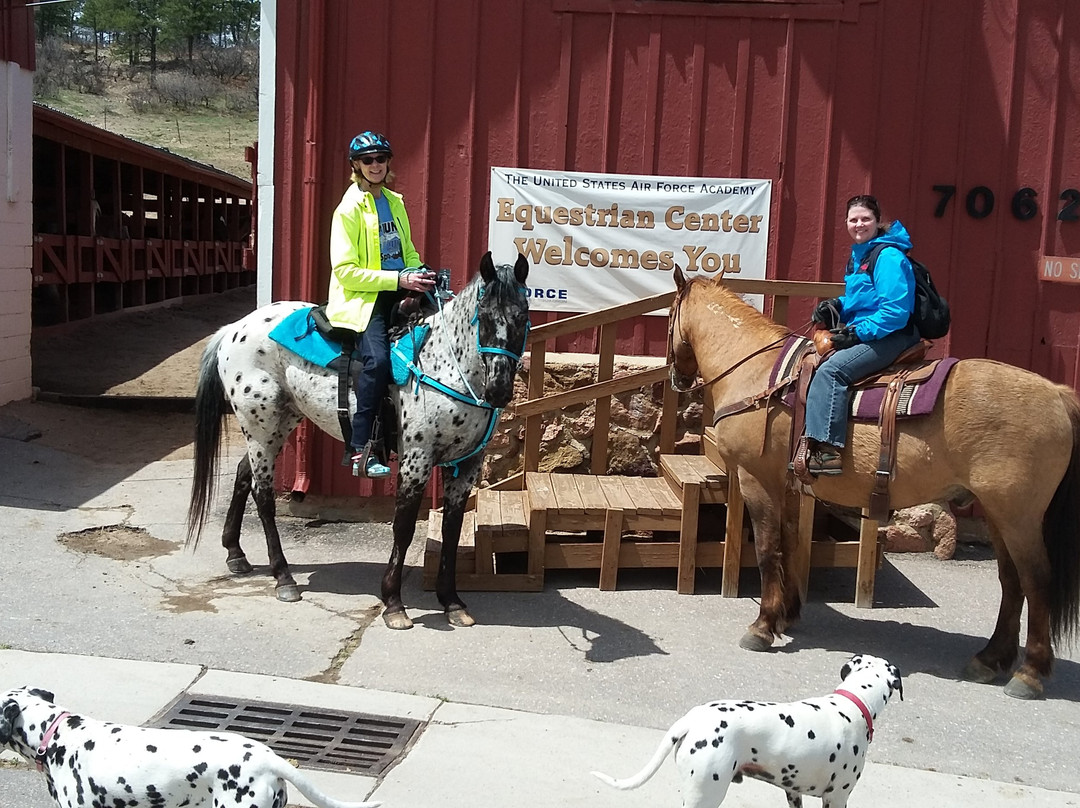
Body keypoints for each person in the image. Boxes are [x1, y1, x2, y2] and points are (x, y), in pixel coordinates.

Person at [326, 130, 435, 478]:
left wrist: (420, 272)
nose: (375, 165)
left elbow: (407, 251)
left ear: (388, 162)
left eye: (381, 158)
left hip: (399, 287)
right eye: (367, 160)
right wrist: (399, 280)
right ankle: (360, 449)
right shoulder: (348, 210)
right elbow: (346, 272)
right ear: (356, 166)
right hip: (364, 297)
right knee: (378, 361)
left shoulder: (394, 201)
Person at [803, 194, 921, 475]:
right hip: (872, 330)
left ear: (878, 222)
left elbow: (895, 312)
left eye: (865, 219)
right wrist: (837, 306)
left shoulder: (888, 256)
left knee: (831, 371)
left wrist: (856, 334)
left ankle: (828, 452)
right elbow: (865, 301)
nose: (859, 224)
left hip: (893, 335)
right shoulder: (862, 255)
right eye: (853, 219)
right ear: (846, 223)